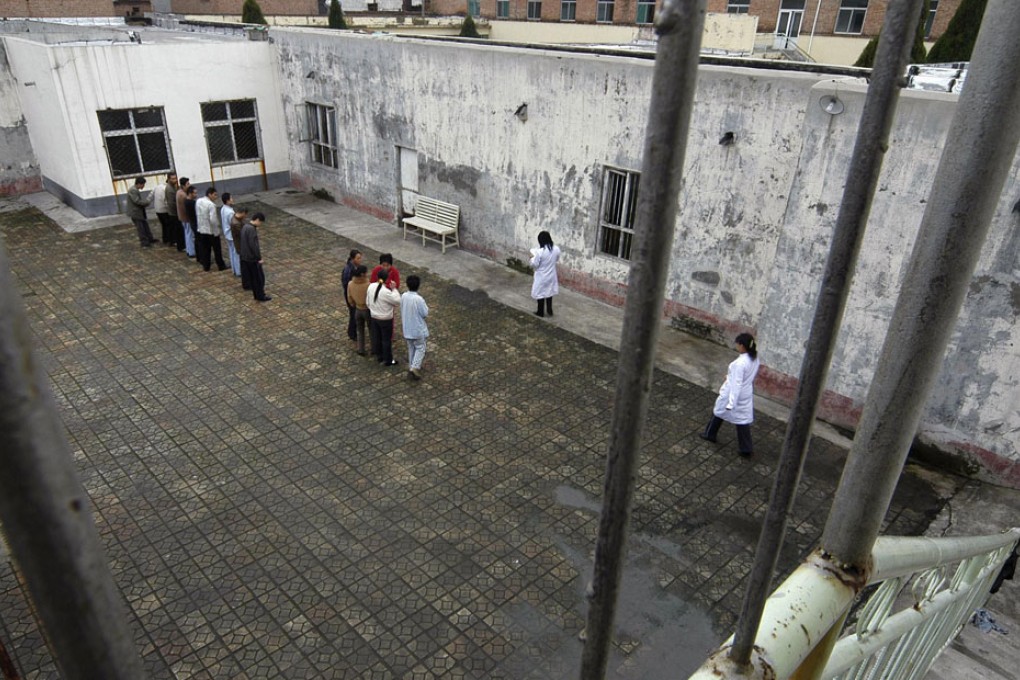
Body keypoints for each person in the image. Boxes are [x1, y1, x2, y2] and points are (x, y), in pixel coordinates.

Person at [701, 333, 760, 457]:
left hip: (734, 393)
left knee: (719, 411)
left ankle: (710, 434)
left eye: (737, 344)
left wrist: (731, 402)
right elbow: (743, 378)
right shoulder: (754, 358)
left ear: (742, 346)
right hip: (746, 393)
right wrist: (730, 377)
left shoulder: (740, 363)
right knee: (742, 420)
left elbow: (737, 384)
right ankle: (746, 448)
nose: (736, 346)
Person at [366, 269, 401, 366]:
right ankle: (388, 360)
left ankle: (379, 356)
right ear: (387, 279)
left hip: (374, 317)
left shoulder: (371, 286)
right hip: (385, 319)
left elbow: (367, 302)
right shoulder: (385, 292)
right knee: (386, 340)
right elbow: (397, 301)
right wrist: (394, 289)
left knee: (377, 337)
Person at [401, 275, 429, 380]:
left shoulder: (403, 296)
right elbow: (425, 313)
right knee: (421, 348)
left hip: (407, 328)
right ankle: (415, 367)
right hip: (417, 329)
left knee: (411, 348)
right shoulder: (419, 299)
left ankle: (411, 366)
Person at [239, 212, 271, 302]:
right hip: (252, 258)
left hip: (245, 257)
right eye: (260, 222)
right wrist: (259, 258)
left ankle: (257, 295)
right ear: (257, 220)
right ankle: (260, 295)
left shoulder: (245, 227)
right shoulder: (251, 230)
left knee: (253, 278)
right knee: (259, 278)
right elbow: (254, 246)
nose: (260, 225)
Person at [195, 186, 227, 272]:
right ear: (209, 194)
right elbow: (213, 219)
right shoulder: (211, 205)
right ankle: (221, 265)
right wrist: (217, 226)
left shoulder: (199, 201)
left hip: (201, 229)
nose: (216, 197)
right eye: (215, 195)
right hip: (211, 231)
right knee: (217, 249)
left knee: (205, 249)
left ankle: (206, 266)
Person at [529, 230, 560, 317]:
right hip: (551, 274)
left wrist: (531, 258)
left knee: (540, 294)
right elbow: (557, 259)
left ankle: (540, 312)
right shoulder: (556, 249)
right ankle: (549, 310)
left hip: (541, 276)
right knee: (549, 292)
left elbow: (534, 264)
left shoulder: (540, 252)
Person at [346, 264, 371, 356]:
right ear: (362, 274)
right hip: (367, 309)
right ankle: (373, 348)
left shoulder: (350, 284)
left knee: (360, 330)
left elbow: (349, 298)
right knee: (371, 329)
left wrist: (354, 305)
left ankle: (361, 349)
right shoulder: (368, 285)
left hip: (357, 309)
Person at [126, 176, 156, 247]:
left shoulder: (134, 190)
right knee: (141, 228)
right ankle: (144, 242)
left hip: (139, 212)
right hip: (136, 213)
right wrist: (146, 202)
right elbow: (137, 201)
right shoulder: (133, 190)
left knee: (145, 226)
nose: (143, 186)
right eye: (143, 184)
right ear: (139, 184)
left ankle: (149, 238)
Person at [341, 249, 363, 342]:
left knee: (354, 312)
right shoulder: (349, 270)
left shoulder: (354, 267)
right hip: (350, 294)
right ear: (353, 259)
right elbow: (346, 284)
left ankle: (353, 332)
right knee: (353, 312)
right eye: (358, 258)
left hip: (353, 292)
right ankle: (352, 332)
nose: (360, 260)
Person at [220, 193, 241, 278]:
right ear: (227, 200)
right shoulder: (230, 212)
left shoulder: (223, 209)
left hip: (227, 233)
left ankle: (234, 269)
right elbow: (233, 224)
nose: (232, 199)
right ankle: (238, 271)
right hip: (232, 235)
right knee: (236, 253)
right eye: (231, 198)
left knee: (231, 252)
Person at [230, 206, 250, 290]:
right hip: (241, 245)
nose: (245, 217)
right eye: (245, 215)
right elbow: (243, 234)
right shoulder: (236, 223)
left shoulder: (236, 219)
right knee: (244, 265)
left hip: (240, 244)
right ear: (242, 213)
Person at [177, 178, 196, 258]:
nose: (189, 185)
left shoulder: (179, 192)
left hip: (182, 217)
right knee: (190, 235)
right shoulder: (184, 195)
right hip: (186, 218)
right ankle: (191, 251)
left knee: (187, 233)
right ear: (183, 185)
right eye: (187, 184)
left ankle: (189, 250)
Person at [164, 173, 183, 251]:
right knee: (177, 229)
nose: (175, 180)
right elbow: (172, 203)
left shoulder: (173, 187)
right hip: (174, 213)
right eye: (172, 179)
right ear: (168, 179)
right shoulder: (169, 189)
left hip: (174, 212)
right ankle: (180, 245)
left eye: (175, 178)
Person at [152, 174, 172, 245]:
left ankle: (165, 239)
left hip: (157, 210)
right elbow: (166, 200)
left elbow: (151, 195)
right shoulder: (166, 189)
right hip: (164, 210)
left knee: (164, 225)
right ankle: (169, 240)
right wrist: (170, 209)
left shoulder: (158, 186)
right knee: (168, 225)